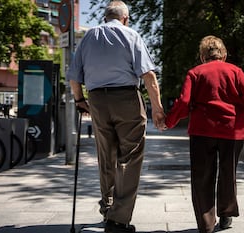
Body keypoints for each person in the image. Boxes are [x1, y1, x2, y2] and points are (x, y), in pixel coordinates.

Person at [66, 1, 166, 232]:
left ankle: (107, 206)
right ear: (125, 18)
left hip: (98, 100)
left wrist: (80, 101)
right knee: (129, 157)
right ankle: (118, 219)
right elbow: (148, 76)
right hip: (126, 99)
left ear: (105, 17)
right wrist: (158, 108)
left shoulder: (89, 37)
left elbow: (73, 76)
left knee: (106, 155)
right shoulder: (131, 35)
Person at [164, 35, 244, 233]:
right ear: (223, 55)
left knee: (202, 177)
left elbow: (183, 103)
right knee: (227, 173)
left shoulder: (195, 73)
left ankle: (206, 224)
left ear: (202, 56)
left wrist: (168, 122)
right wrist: (243, 118)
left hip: (202, 130)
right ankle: (226, 215)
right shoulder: (235, 71)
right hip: (232, 130)